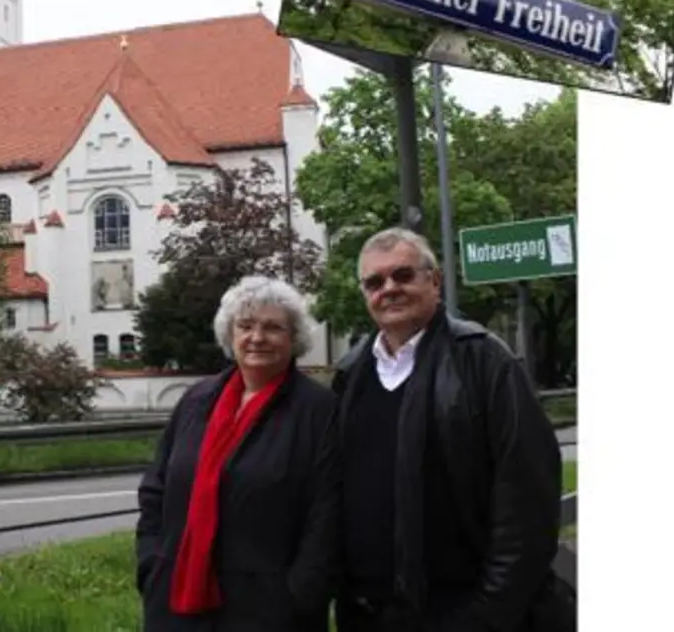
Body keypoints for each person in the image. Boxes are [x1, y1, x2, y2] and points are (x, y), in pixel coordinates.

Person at [331, 227, 572, 632]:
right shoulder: (352, 372)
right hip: (370, 612)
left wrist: (490, 613)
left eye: (403, 275)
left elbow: (528, 500)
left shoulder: (484, 360)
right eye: (375, 282)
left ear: (435, 281)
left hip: (463, 612)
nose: (389, 288)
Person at [135, 275, 341, 631]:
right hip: (176, 603)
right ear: (230, 334)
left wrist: (298, 597)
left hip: (269, 612)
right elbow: (155, 489)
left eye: (273, 327)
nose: (257, 337)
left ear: (294, 339)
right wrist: (151, 564)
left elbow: (328, 516)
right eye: (245, 326)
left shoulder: (318, 410)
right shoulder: (197, 400)